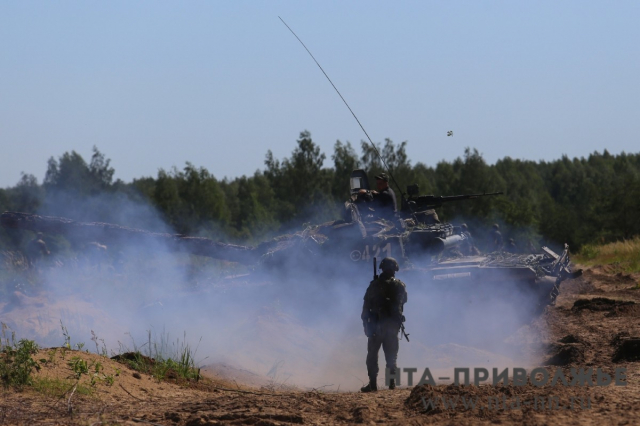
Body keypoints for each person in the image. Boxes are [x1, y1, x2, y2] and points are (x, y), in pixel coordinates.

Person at [360, 257, 408, 392]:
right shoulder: (400, 286)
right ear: (395, 269)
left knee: (372, 355)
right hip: (392, 326)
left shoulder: (374, 285)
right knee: (392, 356)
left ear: (382, 268)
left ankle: (373, 384)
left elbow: (366, 307)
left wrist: (366, 324)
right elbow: (403, 301)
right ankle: (392, 383)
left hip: (376, 325)